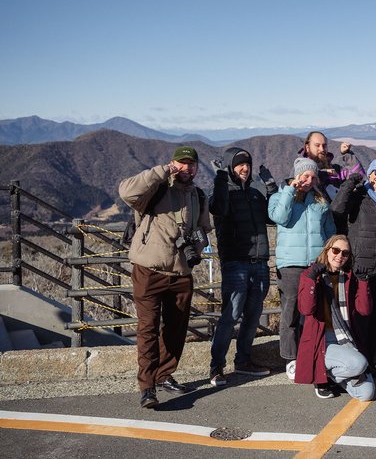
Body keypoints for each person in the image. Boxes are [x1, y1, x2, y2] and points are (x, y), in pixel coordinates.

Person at [118, 146, 211, 408]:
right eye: (181, 163)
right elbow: (127, 191)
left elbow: (204, 227)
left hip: (181, 271)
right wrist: (163, 171)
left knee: (176, 328)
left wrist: (198, 245)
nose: (187, 168)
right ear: (173, 164)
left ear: (197, 168)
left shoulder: (198, 195)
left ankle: (164, 374)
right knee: (147, 328)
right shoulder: (157, 188)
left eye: (191, 164)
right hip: (149, 268)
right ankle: (147, 387)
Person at [207, 147, 278, 387]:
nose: (244, 167)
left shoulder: (256, 194)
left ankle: (243, 361)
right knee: (231, 315)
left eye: (247, 163)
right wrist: (219, 178)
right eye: (239, 164)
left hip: (259, 262)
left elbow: (273, 216)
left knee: (253, 315)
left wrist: (271, 186)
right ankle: (216, 367)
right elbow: (217, 209)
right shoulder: (223, 190)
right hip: (236, 262)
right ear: (230, 166)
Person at [330, 157, 376, 366]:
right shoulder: (358, 197)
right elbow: (337, 210)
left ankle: (368, 364)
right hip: (358, 269)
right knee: (355, 320)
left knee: (375, 321)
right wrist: (349, 184)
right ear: (370, 173)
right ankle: (354, 364)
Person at [268, 157, 336, 381]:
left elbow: (330, 232)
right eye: (305, 175)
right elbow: (279, 218)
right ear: (296, 175)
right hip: (290, 264)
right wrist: (290, 190)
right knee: (291, 313)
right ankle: (291, 358)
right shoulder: (280, 196)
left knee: (315, 313)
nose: (309, 180)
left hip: (316, 264)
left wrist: (329, 259)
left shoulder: (320, 201)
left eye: (313, 176)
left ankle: (313, 354)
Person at [295, 235, 375, 401]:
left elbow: (364, 310)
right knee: (359, 364)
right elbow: (306, 309)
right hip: (322, 339)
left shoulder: (349, 278)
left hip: (345, 337)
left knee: (366, 394)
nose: (340, 256)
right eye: (336, 250)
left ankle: (329, 375)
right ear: (327, 250)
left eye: (345, 253)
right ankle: (321, 375)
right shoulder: (310, 274)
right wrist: (311, 279)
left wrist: (363, 282)